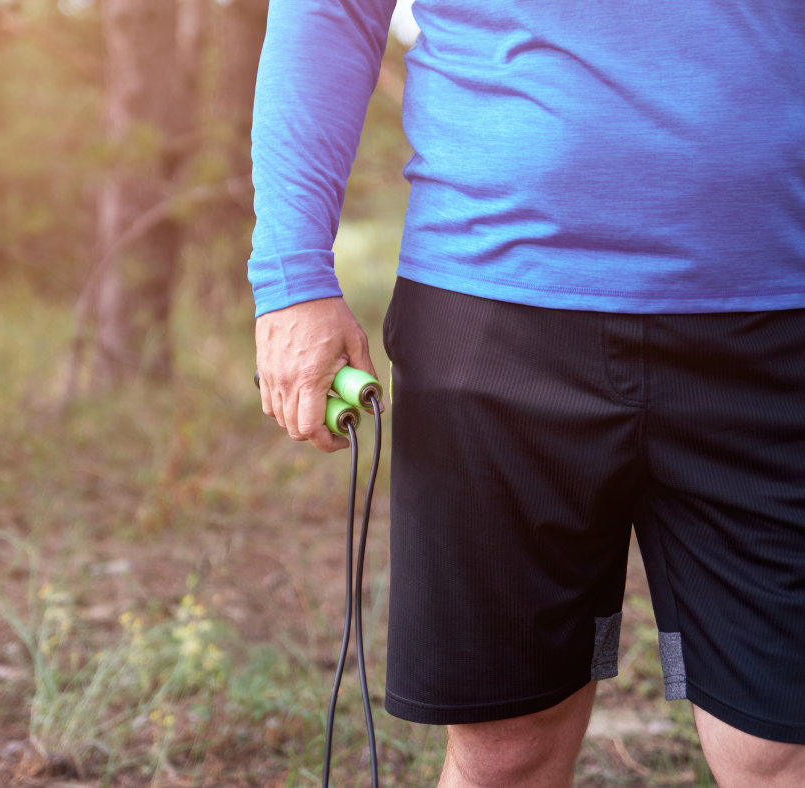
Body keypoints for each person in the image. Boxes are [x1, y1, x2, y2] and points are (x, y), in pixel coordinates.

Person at [249, 1, 805, 785]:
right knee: (504, 750)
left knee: (784, 747)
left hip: (775, 318)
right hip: (493, 313)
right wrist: (292, 275)